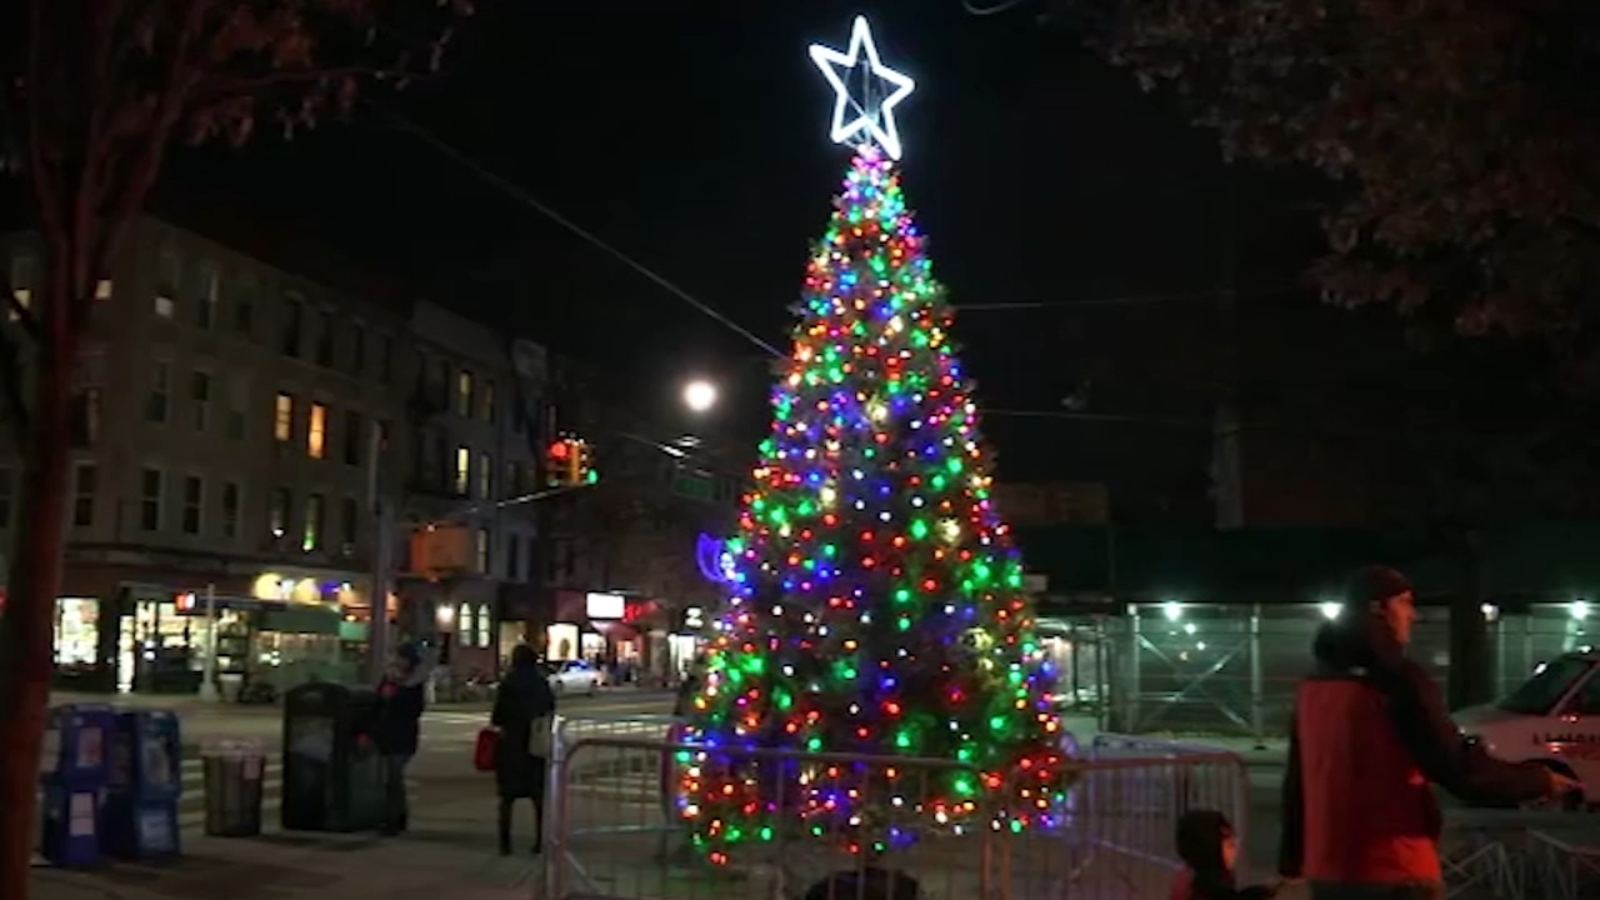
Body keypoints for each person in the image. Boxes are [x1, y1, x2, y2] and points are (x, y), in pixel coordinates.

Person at [1279, 565, 1581, 900]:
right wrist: (1538, 781)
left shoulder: (1312, 688)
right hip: (1395, 868)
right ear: (1379, 609)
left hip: (1327, 871)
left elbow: (1297, 783)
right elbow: (1457, 766)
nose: (1412, 615)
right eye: (1405, 603)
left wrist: (1291, 863)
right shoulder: (1398, 682)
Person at [492, 644, 557, 856]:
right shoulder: (541, 683)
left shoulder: (508, 683)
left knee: (507, 797)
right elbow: (550, 709)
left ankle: (505, 844)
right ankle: (539, 841)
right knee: (537, 798)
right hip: (535, 744)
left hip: (511, 744)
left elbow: (497, 716)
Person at [374, 642, 427, 836]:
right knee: (391, 778)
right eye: (398, 657)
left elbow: (415, 709)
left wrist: (395, 697)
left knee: (394, 777)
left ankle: (394, 819)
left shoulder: (415, 682)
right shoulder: (389, 678)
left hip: (404, 734)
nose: (399, 661)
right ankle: (397, 816)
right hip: (386, 733)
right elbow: (378, 700)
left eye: (402, 658)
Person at [1171, 809, 1278, 900]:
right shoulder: (1203, 883)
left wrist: (1262, 891)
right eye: (1230, 846)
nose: (1235, 852)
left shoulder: (1196, 874)